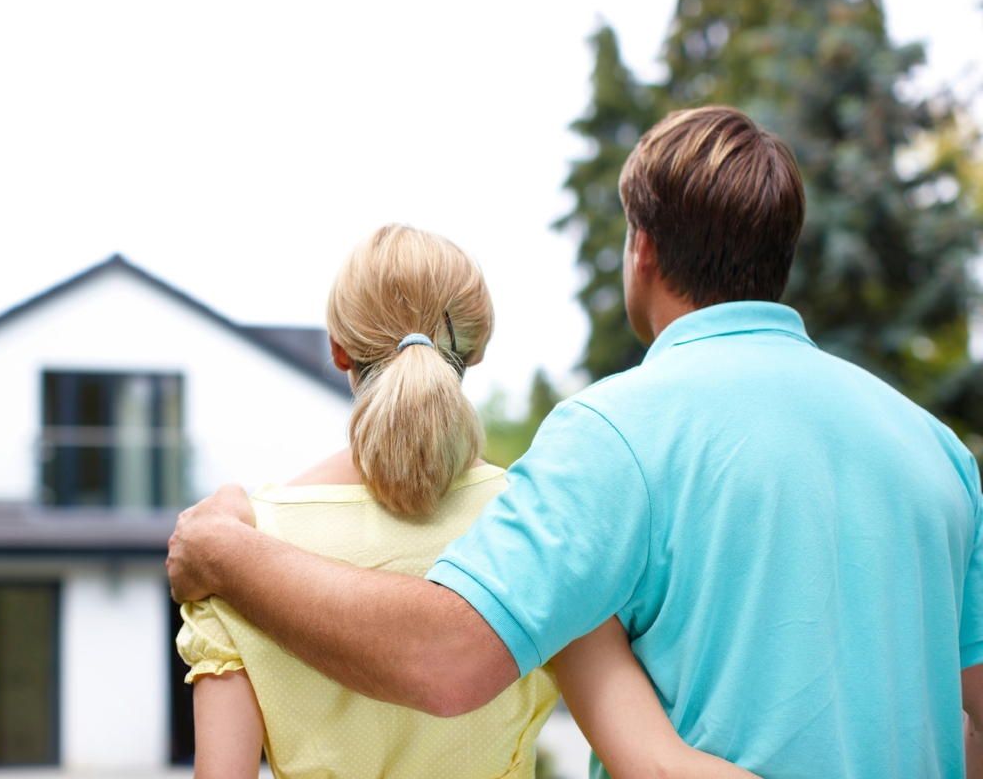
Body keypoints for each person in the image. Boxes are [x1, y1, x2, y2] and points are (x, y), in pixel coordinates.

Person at [168, 108, 983, 777]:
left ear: (644, 249)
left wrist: (225, 554)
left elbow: (449, 659)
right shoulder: (938, 451)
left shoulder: (615, 436)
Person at [177, 225, 756, 778]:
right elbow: (649, 762)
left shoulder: (238, 546)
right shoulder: (535, 524)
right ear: (475, 351)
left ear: (338, 349)